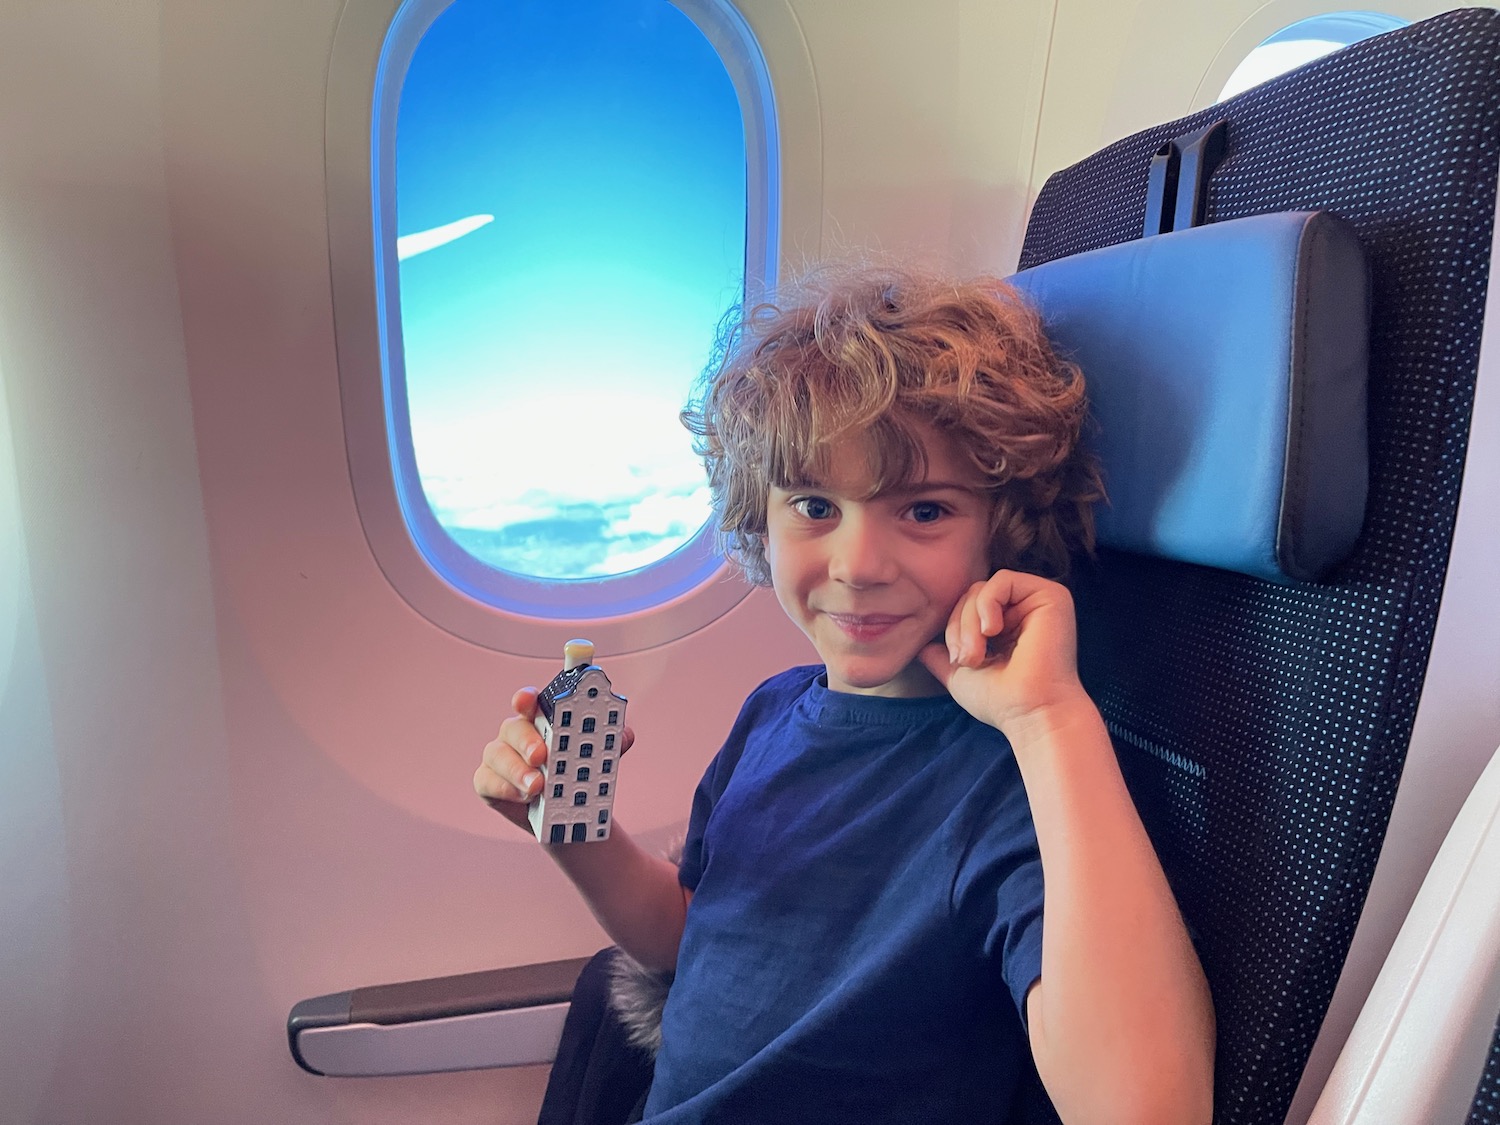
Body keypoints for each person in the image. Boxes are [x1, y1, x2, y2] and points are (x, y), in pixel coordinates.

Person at [476, 264, 1216, 1125]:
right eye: (815, 504)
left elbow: (1147, 1108)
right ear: (762, 514)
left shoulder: (1011, 775)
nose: (858, 567)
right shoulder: (772, 711)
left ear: (1002, 528)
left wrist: (1051, 723)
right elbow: (692, 934)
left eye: (926, 510)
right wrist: (577, 833)